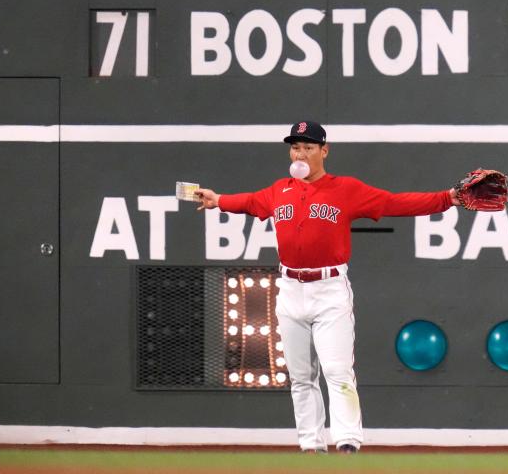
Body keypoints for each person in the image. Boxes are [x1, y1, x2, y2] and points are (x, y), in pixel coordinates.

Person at [194, 120, 463, 454]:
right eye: (295, 146)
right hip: (290, 289)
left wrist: (447, 199)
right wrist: (218, 199)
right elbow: (249, 202)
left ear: (325, 150)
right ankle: (311, 445)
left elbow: (396, 203)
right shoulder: (280, 190)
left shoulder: (346, 189)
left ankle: (348, 439)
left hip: (329, 288)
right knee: (300, 376)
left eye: (308, 146)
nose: (300, 152)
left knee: (337, 370)